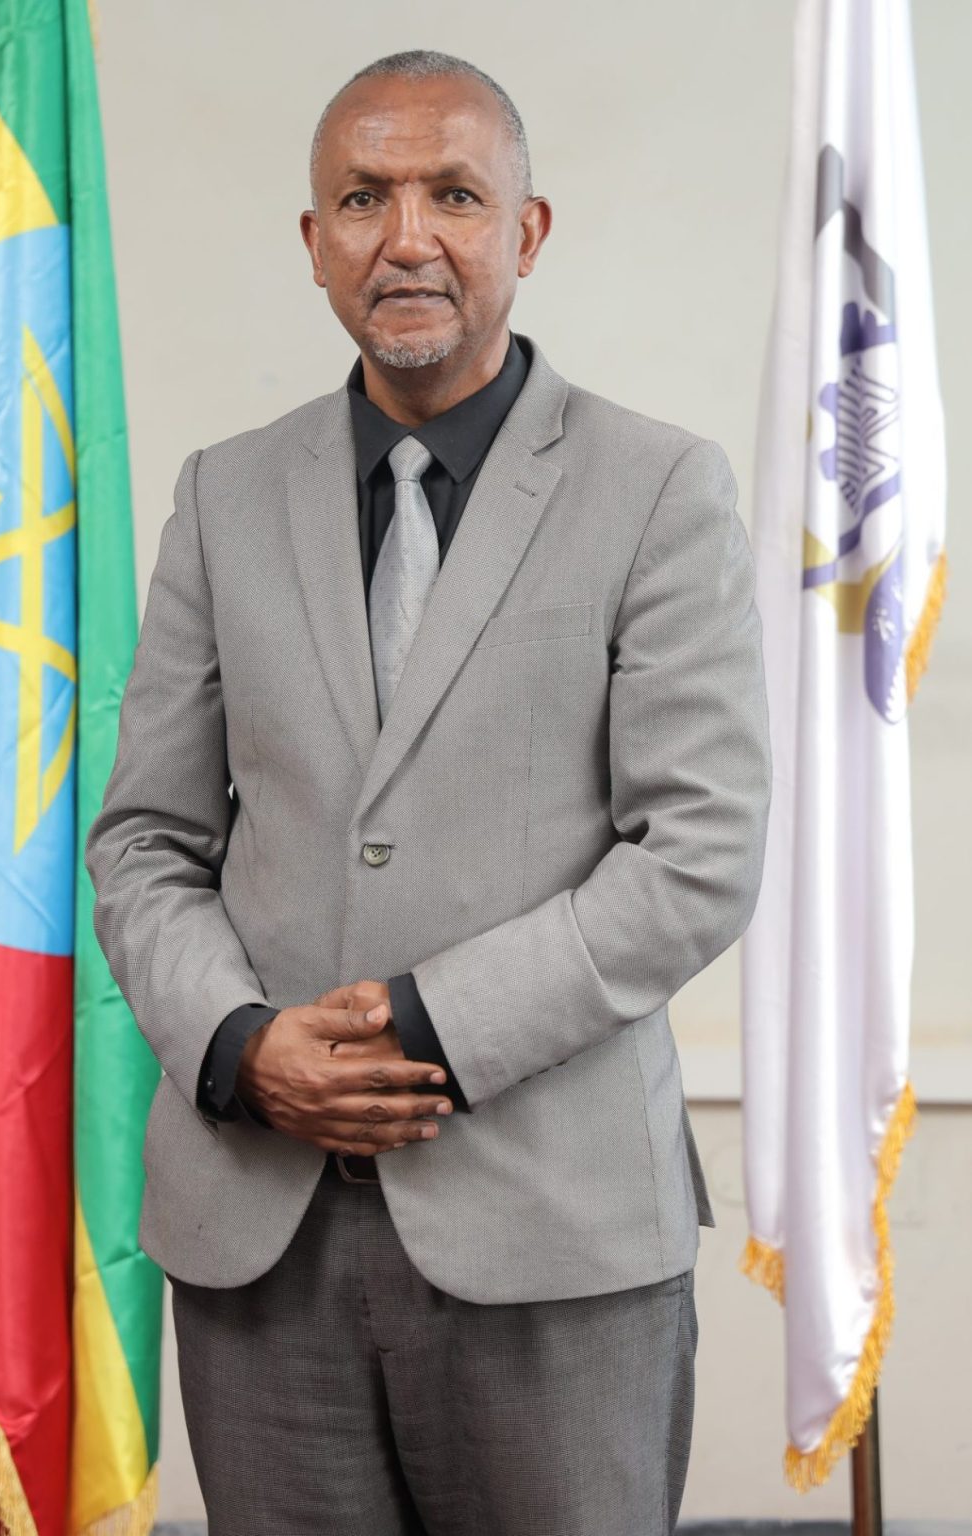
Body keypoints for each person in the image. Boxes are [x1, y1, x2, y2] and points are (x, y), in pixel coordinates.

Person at [86, 46, 772, 1536]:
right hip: (257, 1236)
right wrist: (242, 1044)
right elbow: (146, 841)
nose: (406, 236)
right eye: (362, 199)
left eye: (453, 194)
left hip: (556, 1240)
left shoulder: (660, 489)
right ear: (313, 241)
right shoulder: (222, 495)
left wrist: (420, 1028)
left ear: (526, 230)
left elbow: (698, 852)